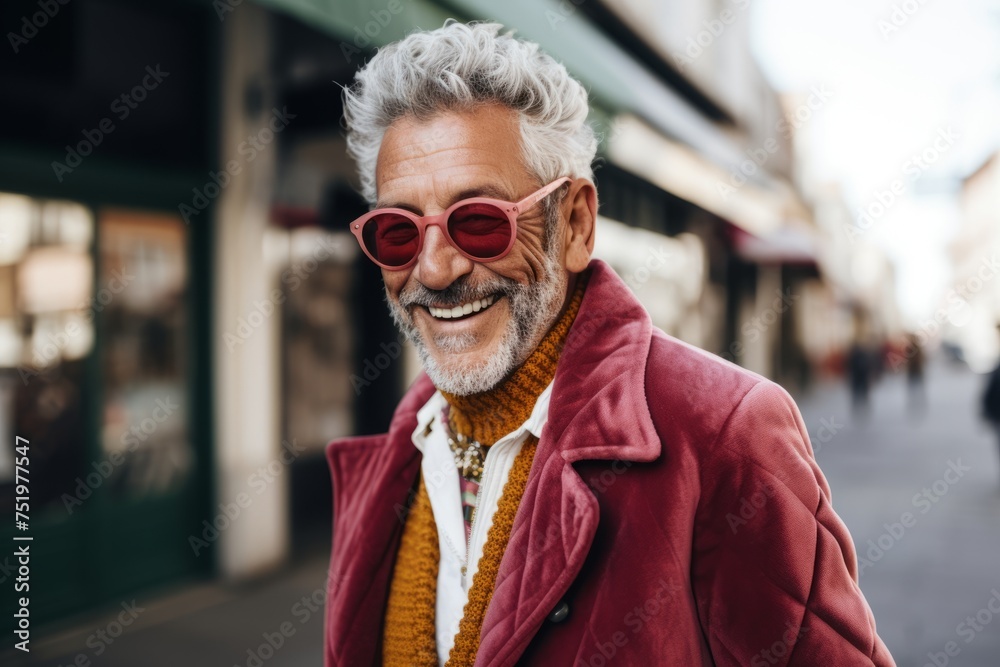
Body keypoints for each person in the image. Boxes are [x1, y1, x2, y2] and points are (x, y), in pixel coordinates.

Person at [324, 20, 895, 666]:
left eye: (479, 222)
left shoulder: (725, 434)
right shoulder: (394, 456)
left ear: (574, 223)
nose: (433, 270)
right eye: (398, 232)